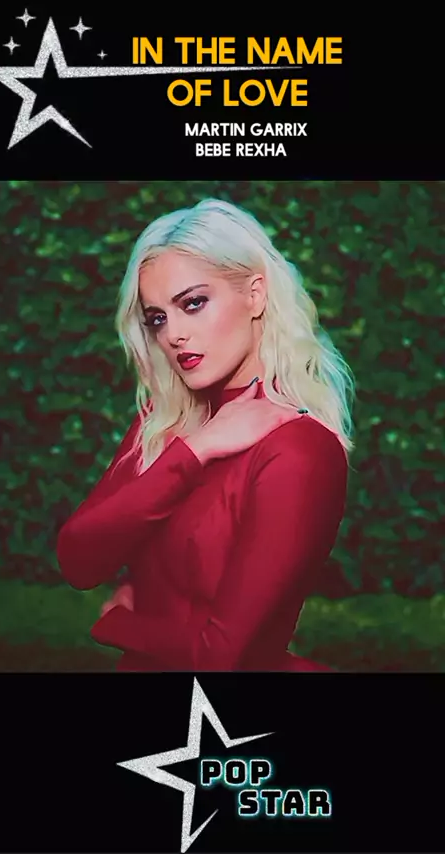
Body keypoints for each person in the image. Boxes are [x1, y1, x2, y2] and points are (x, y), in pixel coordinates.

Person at [57, 198, 354, 672]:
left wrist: (118, 626)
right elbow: (78, 559)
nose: (174, 335)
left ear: (255, 294)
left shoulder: (299, 450)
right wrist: (195, 450)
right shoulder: (163, 421)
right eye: (157, 318)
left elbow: (223, 655)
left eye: (193, 303)